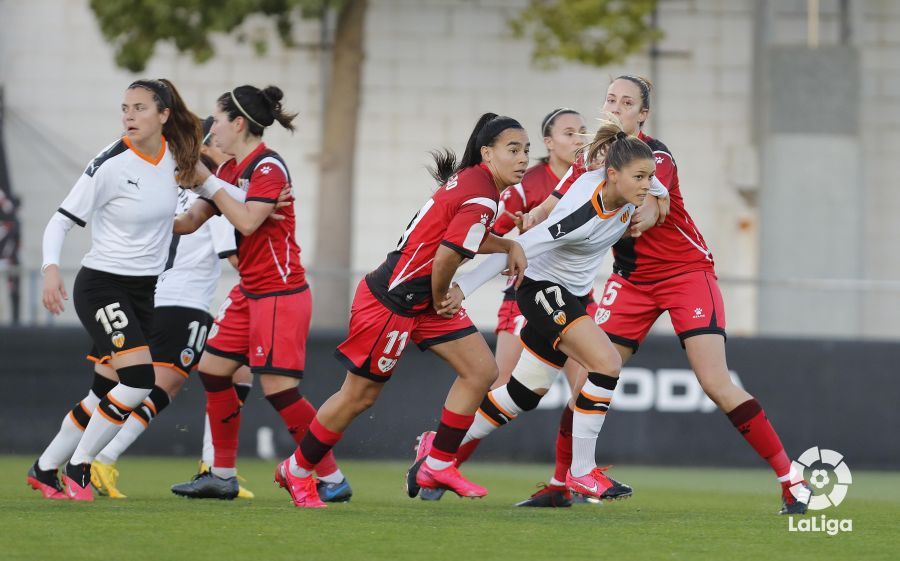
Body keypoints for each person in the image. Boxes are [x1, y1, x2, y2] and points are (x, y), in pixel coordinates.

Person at [518, 76, 812, 515]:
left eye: (627, 102)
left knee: (715, 382)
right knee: (588, 381)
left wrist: (647, 208)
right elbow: (547, 208)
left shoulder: (655, 156)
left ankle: (791, 480)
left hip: (685, 273)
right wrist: (524, 221)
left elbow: (651, 207)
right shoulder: (590, 160)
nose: (616, 108)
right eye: (611, 99)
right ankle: (563, 483)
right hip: (631, 281)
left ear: (643, 115)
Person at [272, 112, 529, 508]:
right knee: (358, 396)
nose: (523, 158)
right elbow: (446, 257)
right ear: (487, 153)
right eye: (513, 149)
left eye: (526, 150)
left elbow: (463, 237)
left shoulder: (476, 183)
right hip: (393, 301)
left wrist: (509, 244)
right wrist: (442, 296)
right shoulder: (482, 194)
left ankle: (437, 463)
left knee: (481, 370)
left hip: (420, 300)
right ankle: (297, 469)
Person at [424, 116, 669, 504]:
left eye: (648, 177)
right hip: (541, 289)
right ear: (611, 175)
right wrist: (463, 287)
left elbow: (656, 185)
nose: (646, 185)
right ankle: (582, 472)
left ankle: (436, 446)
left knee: (523, 393)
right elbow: (516, 248)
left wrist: (661, 195)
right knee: (606, 363)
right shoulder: (579, 215)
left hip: (572, 294)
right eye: (639, 177)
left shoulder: (633, 187)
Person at [169, 85, 350, 502]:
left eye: (217, 119)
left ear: (238, 123)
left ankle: (330, 476)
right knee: (213, 370)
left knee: (280, 389)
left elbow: (249, 221)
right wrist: (143, 214)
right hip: (251, 291)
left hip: (278, 292)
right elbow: (191, 221)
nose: (211, 128)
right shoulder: (231, 170)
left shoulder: (268, 167)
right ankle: (221, 475)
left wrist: (208, 182)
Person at [27, 79, 201, 501]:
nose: (129, 116)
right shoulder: (110, 162)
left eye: (140, 108)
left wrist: (253, 200)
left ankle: (45, 468)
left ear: (164, 115)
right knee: (139, 381)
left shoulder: (175, 157)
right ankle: (80, 466)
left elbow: (212, 188)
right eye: (125, 108)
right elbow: (59, 222)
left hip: (143, 292)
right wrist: (51, 270)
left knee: (103, 394)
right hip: (102, 286)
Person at [417, 108, 595, 503]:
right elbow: (486, 238)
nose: (579, 139)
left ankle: (565, 483)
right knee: (500, 387)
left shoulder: (590, 179)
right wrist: (468, 281)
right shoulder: (524, 183)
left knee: (586, 387)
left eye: (583, 131)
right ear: (549, 142)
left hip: (574, 297)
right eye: (569, 132)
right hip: (525, 294)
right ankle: (440, 464)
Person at [88, 117, 266, 500]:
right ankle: (102, 457)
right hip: (185, 302)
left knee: (235, 371)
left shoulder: (182, 188)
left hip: (158, 295)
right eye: (215, 141)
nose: (225, 146)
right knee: (162, 385)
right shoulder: (218, 193)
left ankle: (214, 466)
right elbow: (233, 253)